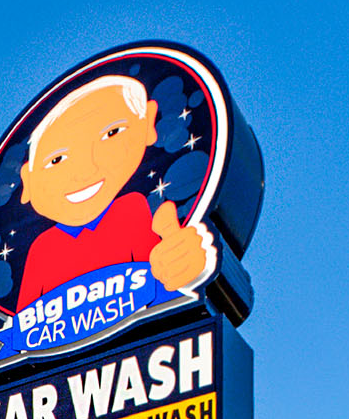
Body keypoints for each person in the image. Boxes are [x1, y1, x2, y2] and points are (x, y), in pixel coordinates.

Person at [15, 75, 212, 309]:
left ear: (147, 124)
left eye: (111, 133)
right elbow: (22, 324)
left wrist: (184, 265)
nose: (85, 170)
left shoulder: (131, 211)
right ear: (28, 180)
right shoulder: (41, 250)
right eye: (57, 160)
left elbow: (164, 274)